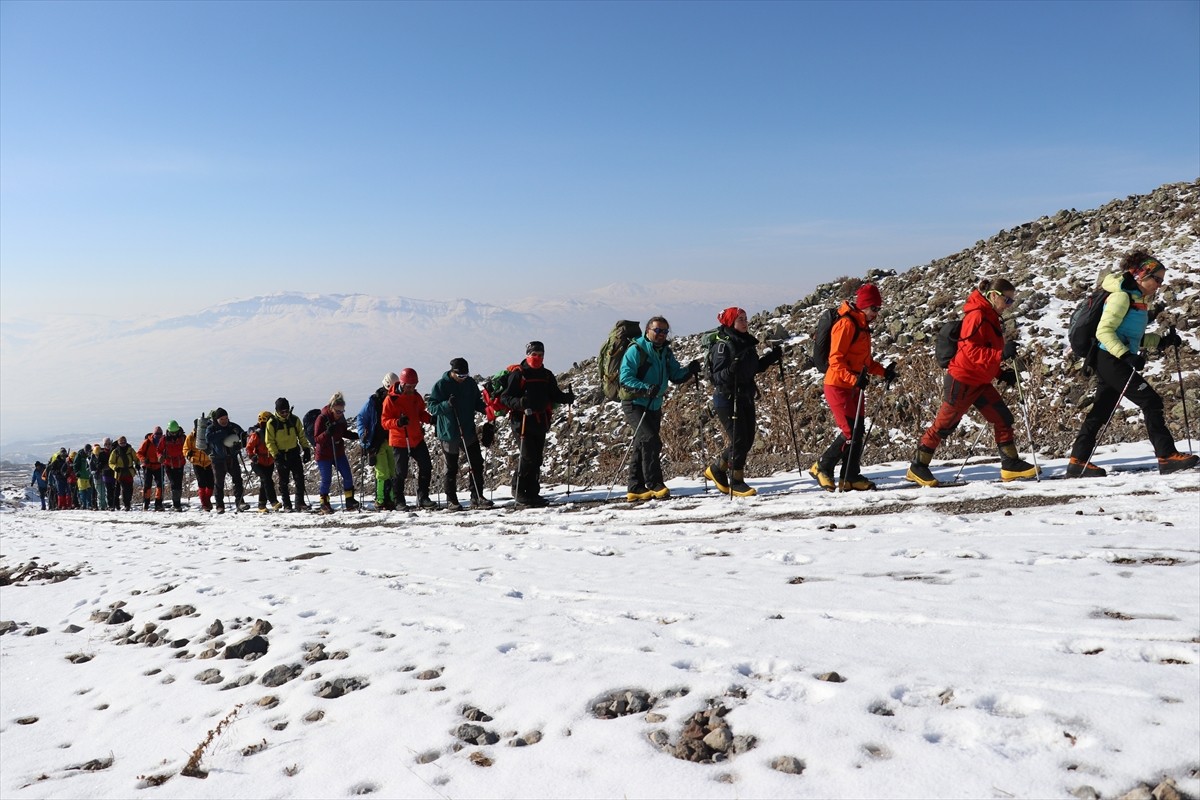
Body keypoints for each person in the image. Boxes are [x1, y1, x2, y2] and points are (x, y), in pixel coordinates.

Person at [1067, 250, 1198, 477]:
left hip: (1111, 357)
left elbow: (1132, 337)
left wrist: (1162, 341)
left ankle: (1077, 461)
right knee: (1151, 401)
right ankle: (1166, 456)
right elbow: (1104, 331)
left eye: (1162, 280)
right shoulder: (1122, 297)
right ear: (1141, 275)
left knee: (1101, 409)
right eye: (1156, 279)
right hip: (1109, 357)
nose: (1159, 284)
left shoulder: (1137, 299)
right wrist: (1126, 356)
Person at [905, 279, 1039, 486]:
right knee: (944, 425)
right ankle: (917, 466)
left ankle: (1011, 465)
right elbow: (970, 351)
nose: (1009, 305)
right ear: (993, 295)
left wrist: (1000, 373)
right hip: (962, 381)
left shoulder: (990, 316)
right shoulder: (977, 316)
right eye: (1007, 300)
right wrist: (1000, 355)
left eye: (1012, 301)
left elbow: (984, 350)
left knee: (1002, 418)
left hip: (980, 381)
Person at [810, 283, 895, 492]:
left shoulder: (863, 326)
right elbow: (835, 360)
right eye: (874, 308)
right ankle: (822, 466)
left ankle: (850, 476)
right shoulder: (847, 324)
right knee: (850, 431)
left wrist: (884, 372)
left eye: (878, 309)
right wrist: (853, 380)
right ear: (864, 306)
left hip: (854, 386)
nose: (877, 313)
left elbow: (864, 362)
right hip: (838, 385)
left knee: (858, 430)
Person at [704, 307, 784, 497]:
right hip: (727, 398)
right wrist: (731, 369)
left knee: (746, 440)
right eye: (740, 319)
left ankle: (717, 469)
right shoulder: (723, 346)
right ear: (731, 322)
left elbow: (753, 368)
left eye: (746, 319)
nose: (745, 322)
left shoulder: (745, 342)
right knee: (739, 440)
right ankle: (736, 481)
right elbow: (716, 377)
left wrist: (771, 357)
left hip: (745, 396)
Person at [617, 320, 700, 501]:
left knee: (643, 443)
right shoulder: (636, 350)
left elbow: (675, 375)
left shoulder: (665, 352)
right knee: (650, 440)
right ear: (648, 330)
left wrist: (689, 371)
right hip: (634, 403)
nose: (662, 334)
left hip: (654, 404)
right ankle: (654, 483)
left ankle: (635, 487)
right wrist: (646, 388)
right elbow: (625, 378)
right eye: (658, 330)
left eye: (665, 331)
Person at [428, 358, 494, 510]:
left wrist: (486, 410)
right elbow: (432, 407)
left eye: (466, 375)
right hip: (449, 433)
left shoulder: (470, 384)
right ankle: (452, 500)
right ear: (452, 372)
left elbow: (476, 401)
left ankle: (477, 496)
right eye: (460, 376)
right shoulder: (441, 385)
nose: (463, 378)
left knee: (476, 462)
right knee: (451, 468)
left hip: (468, 430)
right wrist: (447, 404)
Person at [381, 369, 436, 510]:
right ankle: (399, 500)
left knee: (426, 466)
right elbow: (384, 421)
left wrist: (430, 419)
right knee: (401, 472)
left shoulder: (416, 396)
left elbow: (420, 413)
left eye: (414, 386)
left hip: (416, 438)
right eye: (409, 386)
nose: (412, 389)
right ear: (402, 383)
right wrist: (398, 422)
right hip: (400, 440)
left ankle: (423, 497)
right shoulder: (391, 399)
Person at [312, 392, 361, 514]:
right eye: (338, 411)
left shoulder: (341, 419)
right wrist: (327, 433)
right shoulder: (322, 418)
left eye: (342, 411)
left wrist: (357, 436)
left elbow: (344, 432)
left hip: (338, 451)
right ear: (332, 408)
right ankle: (324, 503)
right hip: (323, 454)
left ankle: (349, 500)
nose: (340, 414)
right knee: (326, 479)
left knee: (348, 476)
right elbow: (316, 438)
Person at [265, 398, 312, 512]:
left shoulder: (294, 420)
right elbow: (269, 441)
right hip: (281, 455)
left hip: (294, 453)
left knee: (299, 478)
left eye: (287, 411)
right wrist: (276, 455)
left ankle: (300, 503)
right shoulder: (272, 423)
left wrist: (306, 449)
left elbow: (301, 435)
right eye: (282, 412)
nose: (285, 414)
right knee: (284, 481)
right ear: (277, 411)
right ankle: (287, 504)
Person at [358, 374, 398, 511]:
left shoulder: (395, 399)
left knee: (392, 470)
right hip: (376, 442)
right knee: (383, 472)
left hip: (391, 439)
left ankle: (390, 499)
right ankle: (381, 500)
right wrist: (362, 435)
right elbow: (361, 418)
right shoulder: (373, 401)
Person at [207, 408, 249, 513]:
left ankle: (240, 503)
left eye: (226, 418)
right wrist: (222, 433)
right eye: (222, 419)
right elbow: (208, 439)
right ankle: (219, 506)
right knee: (219, 483)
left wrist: (240, 444)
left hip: (232, 458)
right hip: (217, 459)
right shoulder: (211, 428)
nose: (225, 420)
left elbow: (244, 436)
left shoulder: (233, 426)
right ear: (217, 419)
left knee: (238, 480)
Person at [246, 412, 282, 512]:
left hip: (269, 462)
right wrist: (252, 456)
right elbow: (249, 447)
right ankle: (273, 501)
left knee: (264, 482)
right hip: (258, 462)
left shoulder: (272, 431)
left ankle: (261, 506)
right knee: (267, 480)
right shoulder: (257, 434)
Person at [184, 421, 215, 512]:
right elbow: (185, 448)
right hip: (196, 462)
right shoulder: (191, 437)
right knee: (202, 483)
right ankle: (205, 504)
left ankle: (207, 500)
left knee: (210, 484)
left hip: (208, 462)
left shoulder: (208, 435)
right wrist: (188, 454)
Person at [158, 421, 188, 511]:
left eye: (175, 432)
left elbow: (187, 447)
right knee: (174, 483)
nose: (174, 434)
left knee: (178, 484)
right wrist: (160, 456)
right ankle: (176, 504)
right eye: (172, 432)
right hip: (168, 464)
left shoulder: (183, 438)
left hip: (180, 463)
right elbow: (159, 450)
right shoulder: (164, 439)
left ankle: (177, 503)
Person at [137, 426, 165, 511]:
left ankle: (158, 503)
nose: (159, 435)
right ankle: (146, 503)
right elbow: (139, 453)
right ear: (154, 433)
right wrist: (143, 459)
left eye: (160, 433)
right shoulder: (147, 442)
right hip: (148, 466)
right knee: (147, 485)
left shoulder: (163, 442)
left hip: (159, 466)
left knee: (160, 485)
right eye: (157, 433)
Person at [108, 436, 139, 511]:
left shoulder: (130, 450)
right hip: (120, 473)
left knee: (130, 489)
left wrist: (137, 464)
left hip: (129, 472)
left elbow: (136, 458)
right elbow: (111, 462)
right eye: (121, 443)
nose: (123, 444)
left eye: (124, 442)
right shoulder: (115, 451)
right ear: (118, 443)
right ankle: (126, 505)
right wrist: (115, 467)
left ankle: (127, 504)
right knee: (124, 489)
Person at [73, 444, 95, 509]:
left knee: (89, 491)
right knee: (82, 491)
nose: (88, 452)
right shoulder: (79, 455)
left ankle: (89, 505)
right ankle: (84, 504)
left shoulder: (90, 456)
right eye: (87, 450)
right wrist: (76, 472)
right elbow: (75, 465)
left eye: (89, 450)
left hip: (88, 476)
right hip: (81, 476)